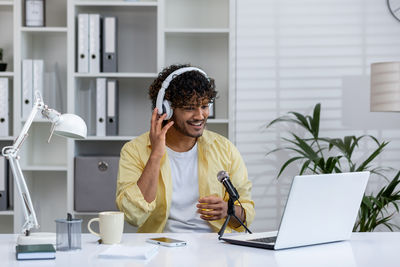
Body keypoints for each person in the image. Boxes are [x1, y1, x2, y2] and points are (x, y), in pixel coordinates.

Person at [116, 64, 255, 233]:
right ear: (166, 110)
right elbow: (132, 215)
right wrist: (156, 154)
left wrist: (229, 210)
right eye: (189, 108)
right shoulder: (134, 150)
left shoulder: (225, 149)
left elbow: (246, 210)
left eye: (204, 106)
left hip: (214, 249)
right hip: (159, 248)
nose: (200, 116)